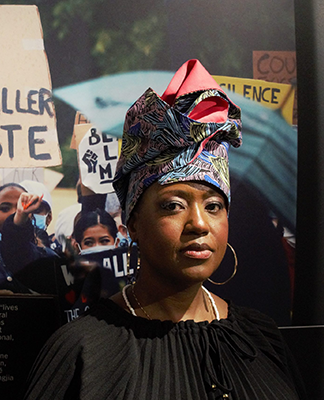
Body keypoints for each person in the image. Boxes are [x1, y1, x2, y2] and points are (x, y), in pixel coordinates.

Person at [25, 60, 305, 399]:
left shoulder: (262, 339)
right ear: (133, 223)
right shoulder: (83, 352)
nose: (199, 223)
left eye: (214, 206)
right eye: (174, 205)